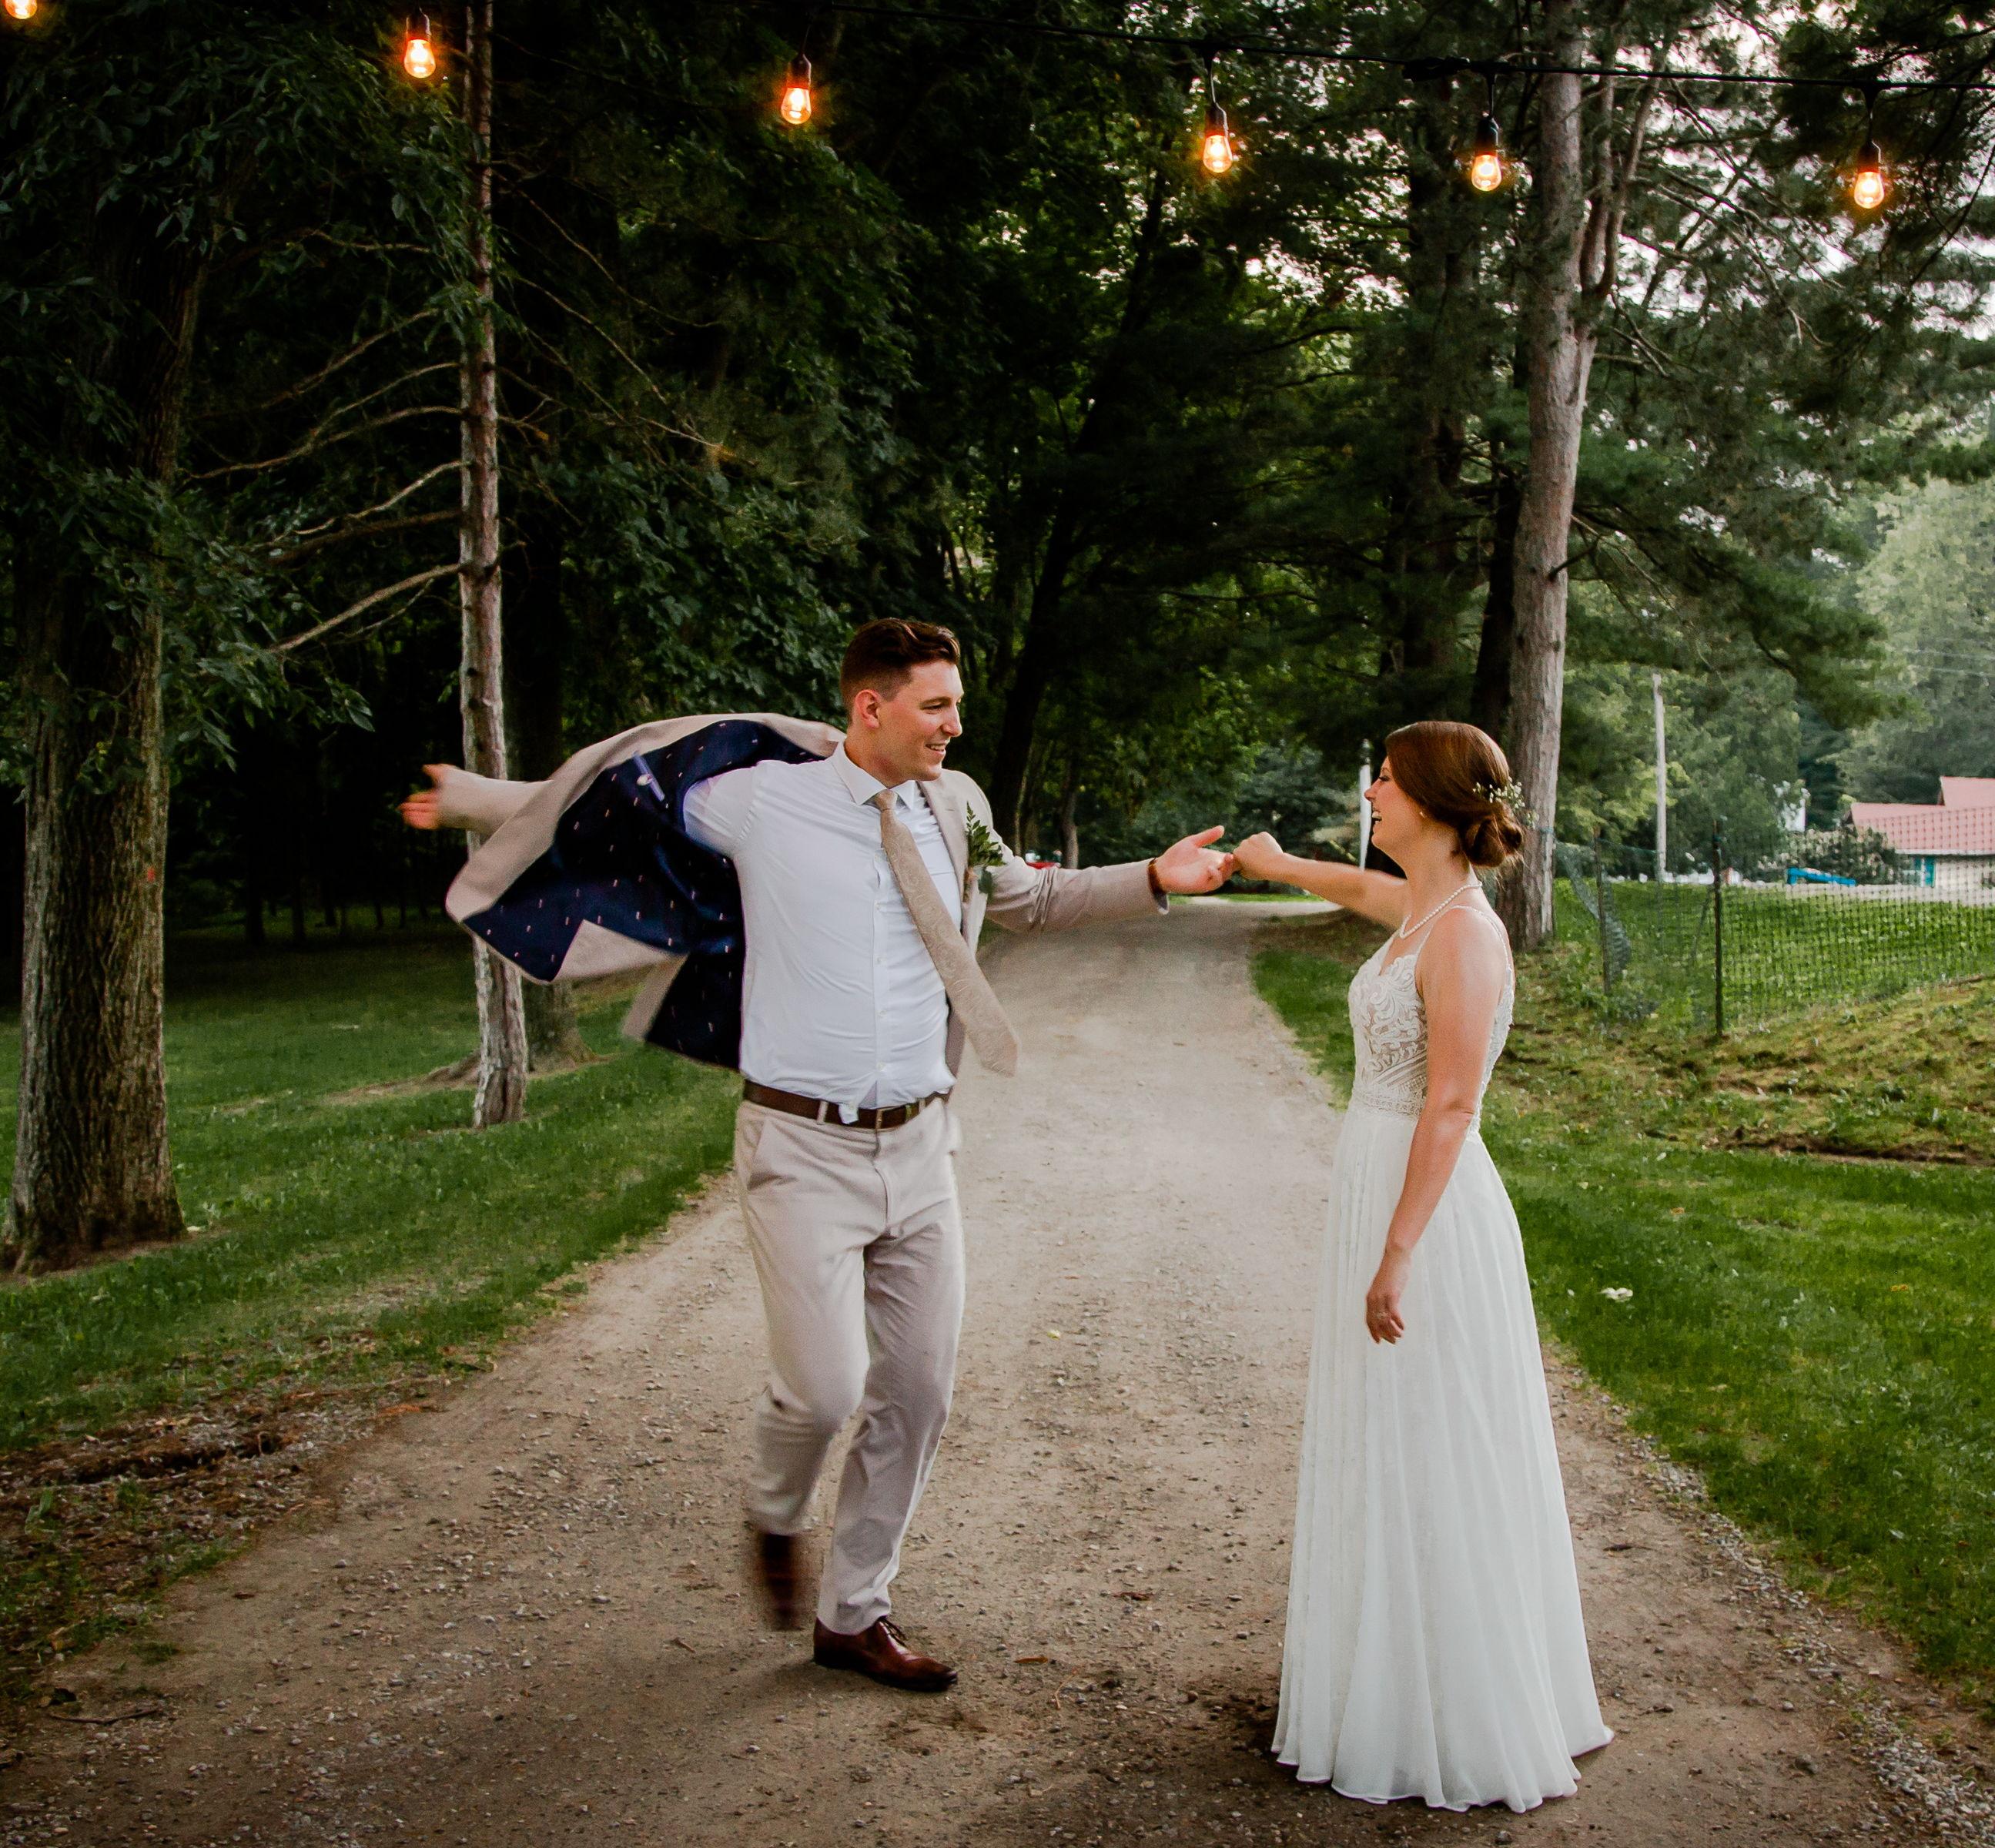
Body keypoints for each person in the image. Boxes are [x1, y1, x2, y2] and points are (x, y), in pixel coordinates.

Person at [400, 619, 1233, 1692]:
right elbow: (614, 799)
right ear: (869, 707)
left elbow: (1030, 899)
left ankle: (854, 1613)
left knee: (920, 1390)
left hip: (922, 1147)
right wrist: (474, 799)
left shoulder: (957, 805)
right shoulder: (759, 800)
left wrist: (1154, 876)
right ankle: (774, 1511)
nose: (955, 725)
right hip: (799, 1148)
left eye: (958, 706)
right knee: (824, 1390)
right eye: (936, 706)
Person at [1232, 721, 1612, 1813]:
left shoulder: (1467, 938)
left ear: (1438, 804)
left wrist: (1398, 1250)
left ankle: (1458, 1708)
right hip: (1379, 1187)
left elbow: (1452, 1105)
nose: (1371, 792)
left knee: (1435, 1436)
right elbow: (1362, 892)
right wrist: (1275, 864)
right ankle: (1388, 1684)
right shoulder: (1423, 910)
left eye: (1388, 782)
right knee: (1385, 1435)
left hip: (1428, 1212)